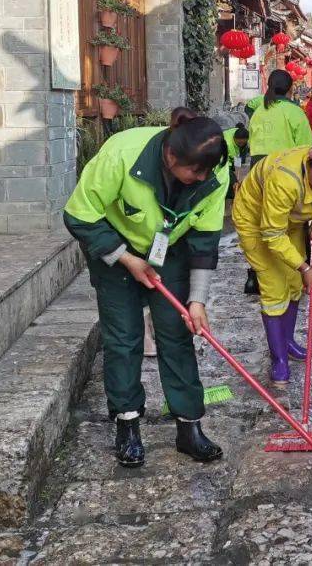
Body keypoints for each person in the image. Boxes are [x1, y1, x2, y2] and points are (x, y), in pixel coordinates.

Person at [63, 107, 228, 468]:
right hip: (115, 249)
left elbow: (205, 238)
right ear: (170, 155)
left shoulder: (215, 172)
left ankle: (189, 426)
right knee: (123, 338)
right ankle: (127, 425)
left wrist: (197, 302)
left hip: (170, 250)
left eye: (205, 173)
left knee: (176, 333)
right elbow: (78, 214)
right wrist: (126, 258)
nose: (197, 179)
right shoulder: (122, 154)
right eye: (191, 172)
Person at [232, 129, 312, 385]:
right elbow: (272, 234)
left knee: (295, 284)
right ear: (308, 166)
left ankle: (287, 341)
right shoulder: (284, 179)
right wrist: (304, 266)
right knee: (275, 287)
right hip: (257, 221)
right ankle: (278, 359)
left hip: (293, 218)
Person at [241, 69, 312, 296]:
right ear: (291, 88)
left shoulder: (259, 110)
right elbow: (307, 149)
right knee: (291, 224)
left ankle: (255, 275)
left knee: (260, 221)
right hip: (284, 173)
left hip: (257, 171)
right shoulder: (294, 112)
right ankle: (298, 273)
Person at [222, 123, 250, 195]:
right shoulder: (226, 144)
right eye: (239, 143)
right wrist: (234, 180)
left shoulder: (244, 138)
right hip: (223, 155)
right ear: (234, 138)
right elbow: (226, 166)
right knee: (229, 173)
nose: (241, 144)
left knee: (238, 165)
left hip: (235, 152)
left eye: (243, 142)